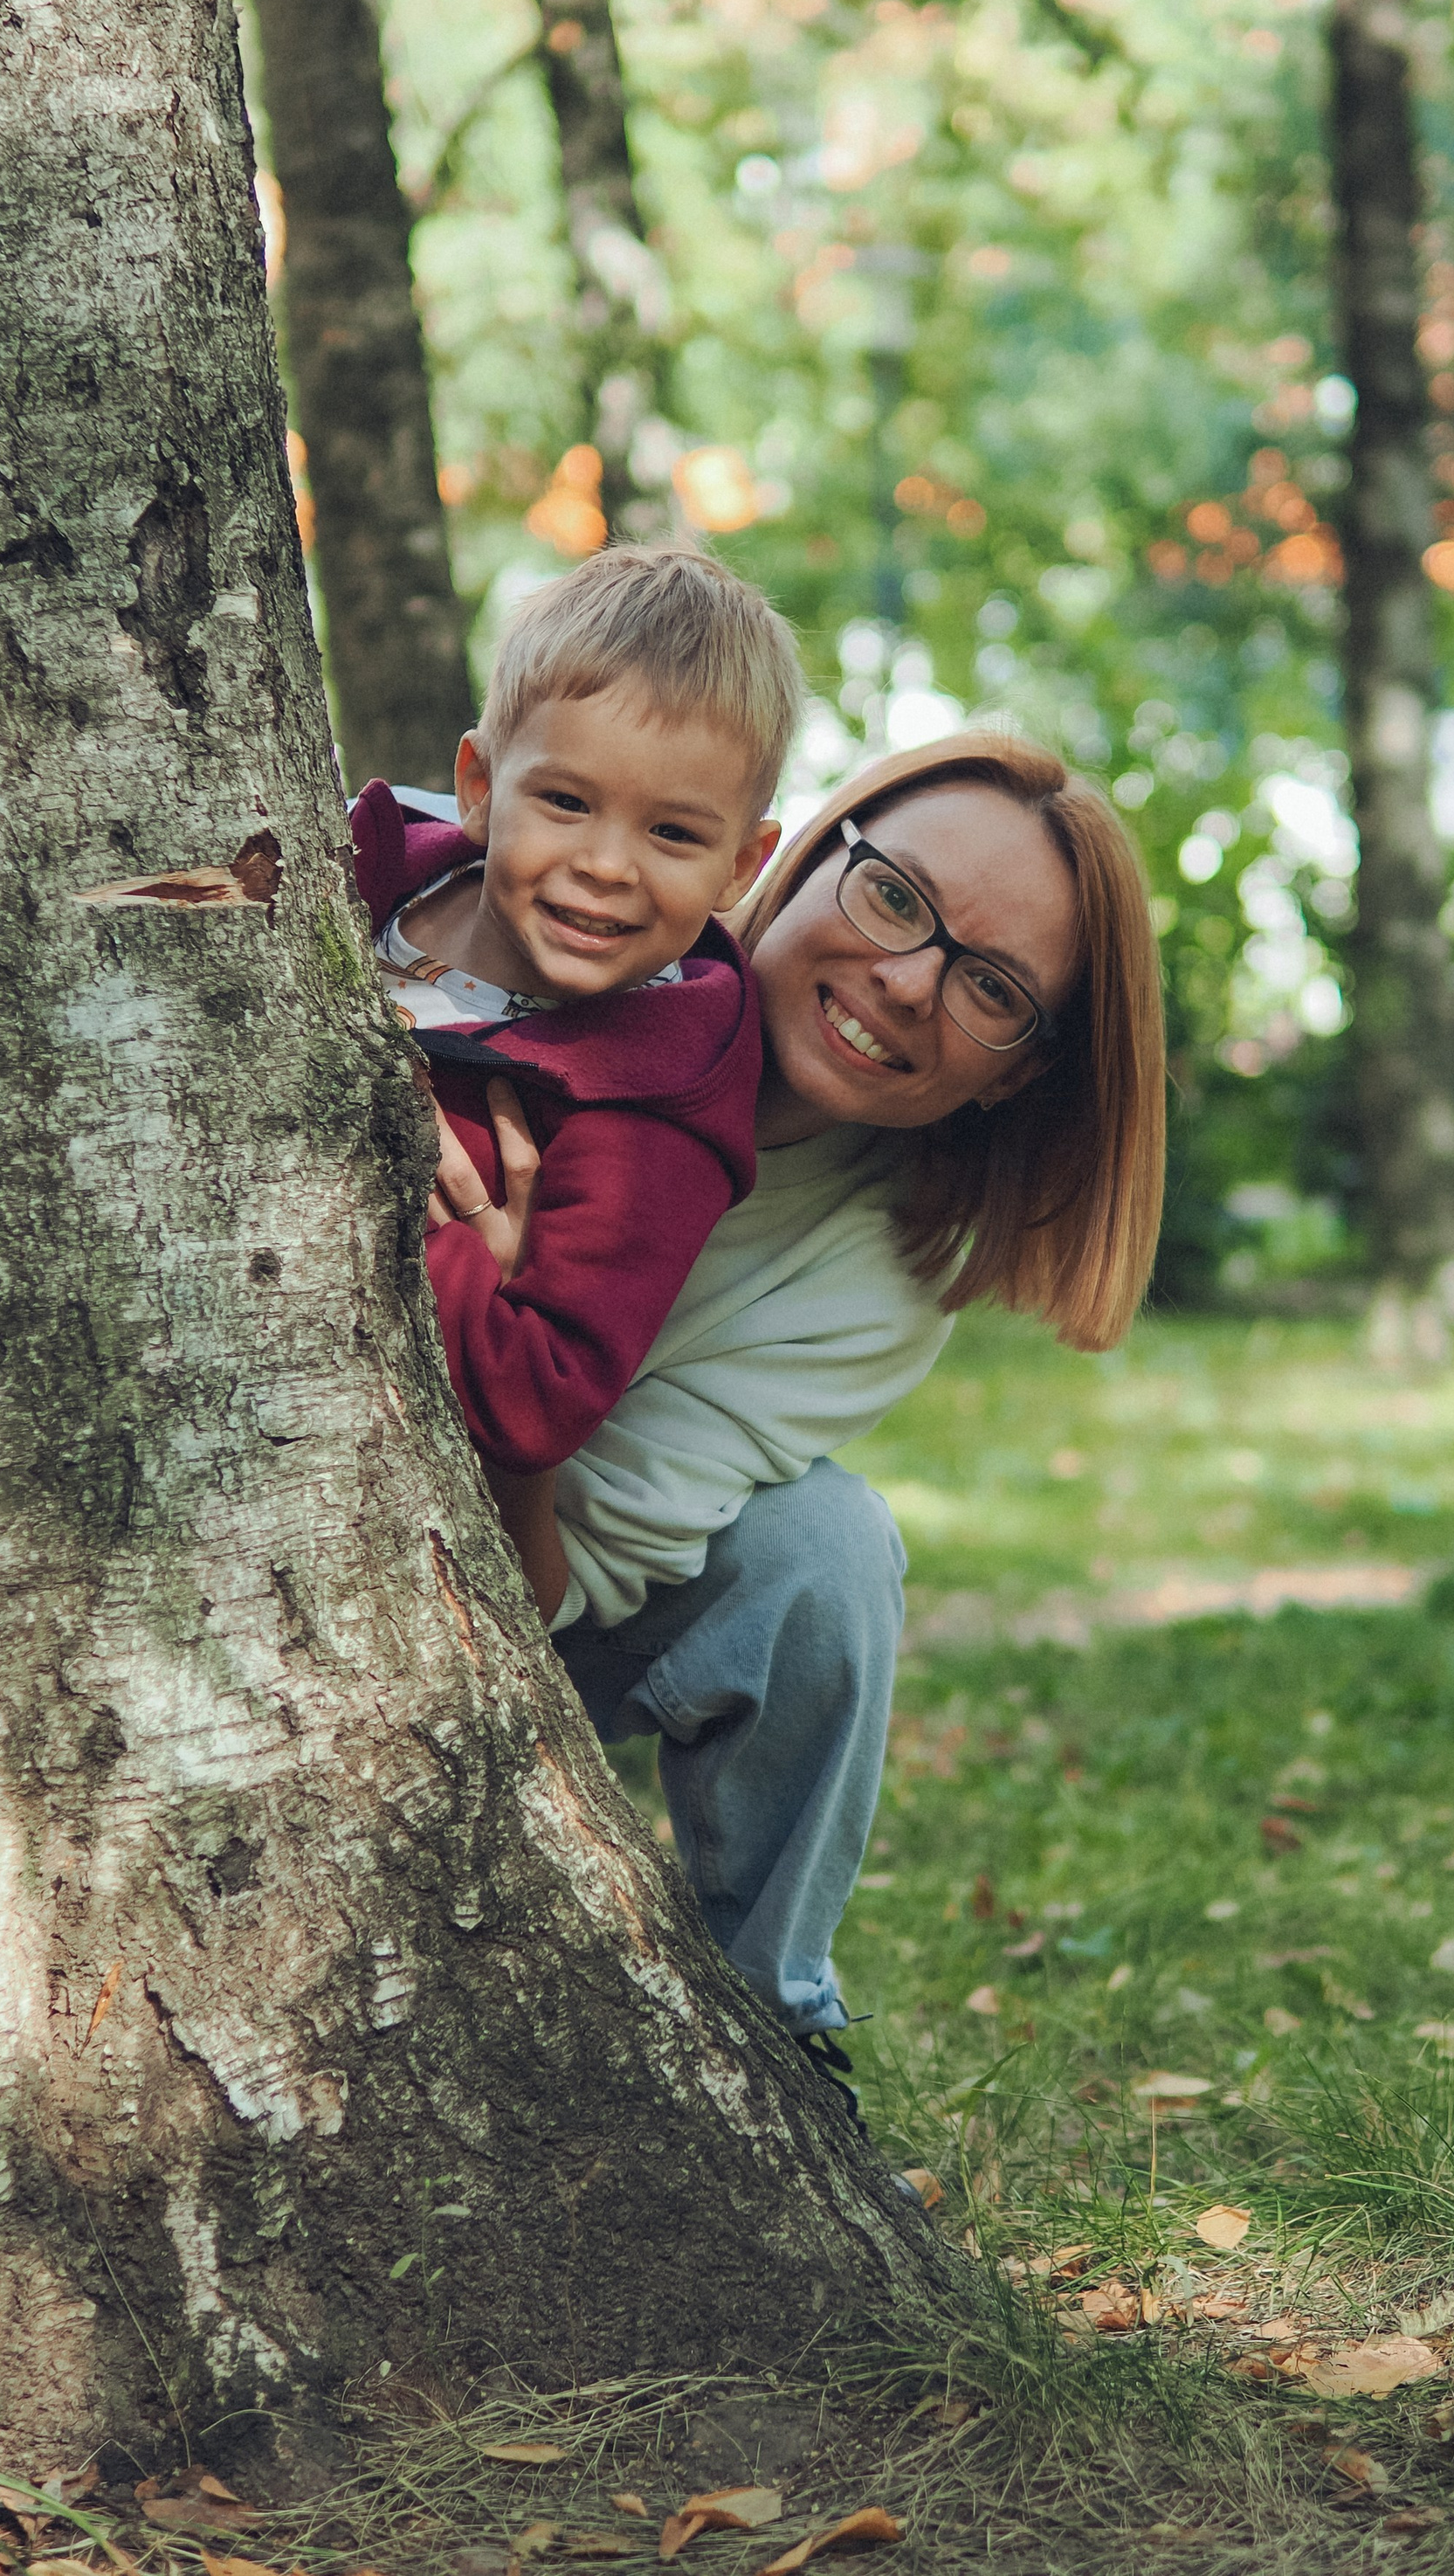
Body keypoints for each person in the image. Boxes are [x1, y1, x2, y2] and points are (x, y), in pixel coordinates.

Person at [429, 729, 1168, 2103]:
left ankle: (766, 2032)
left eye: (992, 988)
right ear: (801, 854)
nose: (906, 982)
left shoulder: (881, 1278)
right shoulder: (566, 922)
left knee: (825, 1547)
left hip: (503, 1617)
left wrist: (509, 1317)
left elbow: (547, 1591)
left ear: (1016, 1069)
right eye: (895, 895)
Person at [350, 547, 803, 1605]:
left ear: (741, 865)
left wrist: (436, 1247)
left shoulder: (657, 1105)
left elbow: (539, 1398)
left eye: (673, 832)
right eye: (564, 800)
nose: (606, 863)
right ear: (478, 786)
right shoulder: (353, 873)